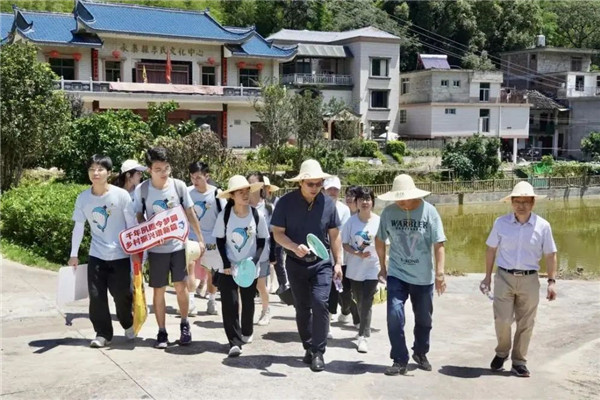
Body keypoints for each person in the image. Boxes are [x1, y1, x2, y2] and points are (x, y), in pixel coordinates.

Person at [271, 159, 343, 372]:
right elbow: (277, 233)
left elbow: (334, 234)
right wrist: (293, 247)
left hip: (322, 263)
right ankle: (309, 347)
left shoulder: (329, 204)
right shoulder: (285, 203)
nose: (315, 188)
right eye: (310, 184)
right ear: (300, 182)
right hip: (295, 263)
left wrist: (338, 263)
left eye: (318, 183)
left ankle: (319, 351)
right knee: (302, 308)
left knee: (320, 303)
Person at [481, 181, 557, 378]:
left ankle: (519, 361)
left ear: (533, 203)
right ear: (511, 202)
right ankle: (502, 352)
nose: (521, 205)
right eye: (517, 201)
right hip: (504, 277)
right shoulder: (501, 223)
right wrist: (487, 277)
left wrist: (551, 281)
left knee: (526, 323)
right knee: (502, 320)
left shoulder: (543, 226)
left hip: (529, 280)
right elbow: (491, 249)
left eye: (526, 201)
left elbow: (550, 254)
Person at [132, 147, 205, 349]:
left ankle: (184, 324)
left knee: (181, 287)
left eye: (166, 168)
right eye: (158, 169)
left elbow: (191, 213)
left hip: (178, 247)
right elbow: (138, 215)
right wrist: (145, 234)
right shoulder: (143, 190)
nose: (164, 173)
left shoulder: (179, 186)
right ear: (150, 170)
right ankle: (162, 331)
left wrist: (199, 239)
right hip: (156, 250)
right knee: (159, 291)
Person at [375, 174, 447, 376]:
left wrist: (440, 274)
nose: (401, 202)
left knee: (424, 319)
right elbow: (379, 240)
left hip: (423, 276)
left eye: (404, 198)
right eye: (398, 198)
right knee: (394, 316)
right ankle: (399, 359)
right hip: (397, 273)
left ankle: (420, 352)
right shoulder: (388, 213)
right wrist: (383, 266)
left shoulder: (429, 212)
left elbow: (439, 243)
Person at [68, 154, 137, 348]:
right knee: (96, 296)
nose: (95, 173)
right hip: (97, 254)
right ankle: (102, 333)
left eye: (100, 169)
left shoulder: (121, 195)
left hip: (121, 254)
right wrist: (74, 254)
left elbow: (131, 224)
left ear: (109, 172)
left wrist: (136, 252)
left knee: (123, 294)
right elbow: (79, 227)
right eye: (92, 169)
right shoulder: (83, 198)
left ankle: (128, 322)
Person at [212, 175, 269, 357]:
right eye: (240, 192)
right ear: (232, 196)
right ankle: (234, 342)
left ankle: (247, 331)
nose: (245, 195)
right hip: (228, 267)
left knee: (248, 300)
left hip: (249, 267)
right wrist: (226, 263)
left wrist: (254, 260)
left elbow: (261, 241)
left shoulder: (256, 215)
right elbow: (220, 241)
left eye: (247, 192)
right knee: (230, 303)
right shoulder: (225, 215)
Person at [341, 186, 380, 353]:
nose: (365, 202)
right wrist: (357, 253)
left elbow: (385, 244)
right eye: (361, 199)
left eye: (368, 199)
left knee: (367, 300)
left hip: (373, 268)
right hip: (355, 268)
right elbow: (344, 244)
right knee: (358, 299)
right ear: (356, 203)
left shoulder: (379, 221)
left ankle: (363, 335)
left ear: (372, 202)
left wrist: (385, 266)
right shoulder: (351, 222)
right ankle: (364, 326)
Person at [187, 161, 223, 316]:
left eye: (199, 177)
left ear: (207, 176)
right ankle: (191, 302)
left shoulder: (217, 194)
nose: (195, 181)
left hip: (211, 239)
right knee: (190, 267)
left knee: (211, 272)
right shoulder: (187, 193)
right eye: (192, 177)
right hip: (191, 237)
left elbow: (223, 216)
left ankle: (212, 300)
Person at [324, 176, 359, 332]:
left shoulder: (343, 209)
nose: (332, 192)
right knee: (328, 292)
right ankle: (328, 323)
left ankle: (349, 313)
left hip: (340, 257)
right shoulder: (318, 206)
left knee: (344, 291)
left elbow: (341, 234)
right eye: (329, 189)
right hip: (323, 257)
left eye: (335, 189)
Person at [247, 172, 274, 326]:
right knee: (243, 286)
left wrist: (274, 256)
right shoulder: (242, 205)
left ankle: (265, 310)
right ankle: (244, 314)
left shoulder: (268, 208)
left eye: (255, 184)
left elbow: (273, 232)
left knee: (260, 284)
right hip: (244, 252)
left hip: (263, 253)